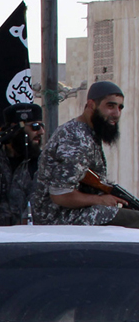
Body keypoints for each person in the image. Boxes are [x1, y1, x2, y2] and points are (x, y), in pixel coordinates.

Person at [33, 81, 139, 227]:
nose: (116, 114)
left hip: (71, 214)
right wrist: (101, 200)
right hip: (57, 219)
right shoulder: (76, 138)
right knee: (134, 219)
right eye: (110, 106)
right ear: (91, 105)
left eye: (120, 107)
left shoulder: (88, 133)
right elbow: (60, 195)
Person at [0, 103, 45, 226]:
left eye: (42, 126)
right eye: (35, 126)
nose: (41, 132)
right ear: (15, 128)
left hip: (33, 238)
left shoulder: (44, 163)